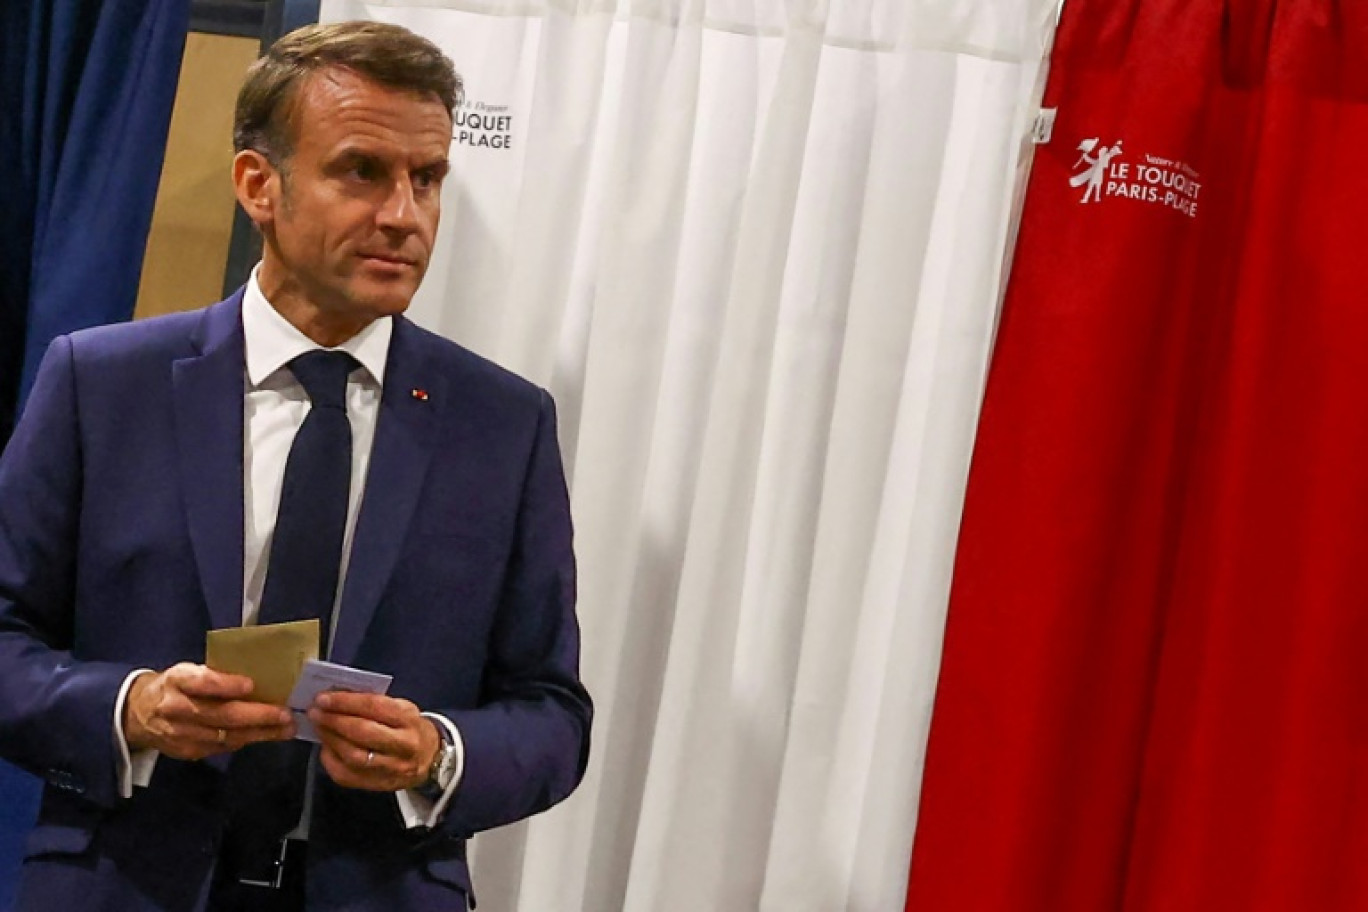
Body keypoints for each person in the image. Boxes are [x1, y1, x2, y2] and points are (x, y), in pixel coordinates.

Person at [0, 20, 591, 912]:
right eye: (362, 171)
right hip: (123, 884)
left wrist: (437, 752)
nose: (404, 214)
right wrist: (131, 708)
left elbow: (552, 712)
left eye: (426, 180)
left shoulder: (502, 425)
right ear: (258, 185)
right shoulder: (100, 384)